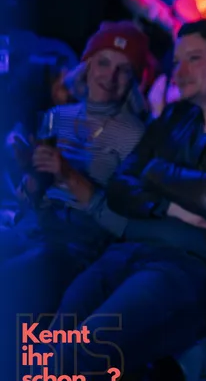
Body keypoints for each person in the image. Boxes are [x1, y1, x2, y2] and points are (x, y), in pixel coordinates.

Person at [6, 20, 206, 381]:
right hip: (132, 251)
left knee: (81, 351)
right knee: (51, 349)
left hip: (200, 267)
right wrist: (174, 208)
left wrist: (154, 172)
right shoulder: (177, 117)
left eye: (194, 59)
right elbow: (123, 187)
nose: (179, 72)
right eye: (177, 61)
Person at [0, 21, 149, 312]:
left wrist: (67, 173)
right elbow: (32, 197)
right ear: (88, 66)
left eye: (124, 69)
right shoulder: (57, 117)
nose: (110, 75)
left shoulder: (136, 135)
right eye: (104, 63)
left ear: (134, 81)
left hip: (77, 247)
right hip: (34, 228)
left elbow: (122, 222)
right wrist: (31, 173)